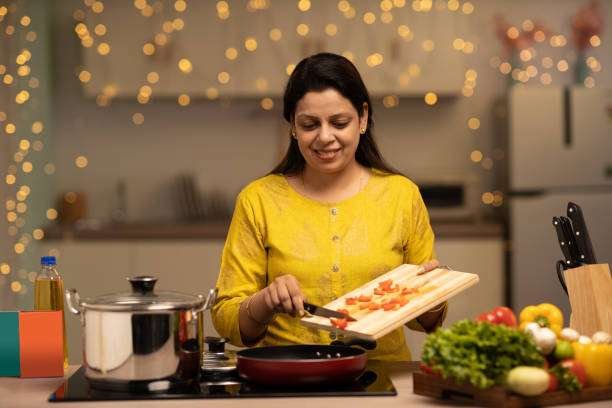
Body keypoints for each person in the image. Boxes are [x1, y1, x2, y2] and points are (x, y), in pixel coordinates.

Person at [211, 52, 447, 361]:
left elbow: (425, 322)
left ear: (362, 118)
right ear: (293, 127)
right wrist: (264, 301)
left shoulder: (401, 195)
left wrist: (434, 295)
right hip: (289, 381)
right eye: (309, 124)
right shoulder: (258, 200)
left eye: (339, 122)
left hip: (384, 379)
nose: (325, 137)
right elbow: (227, 320)